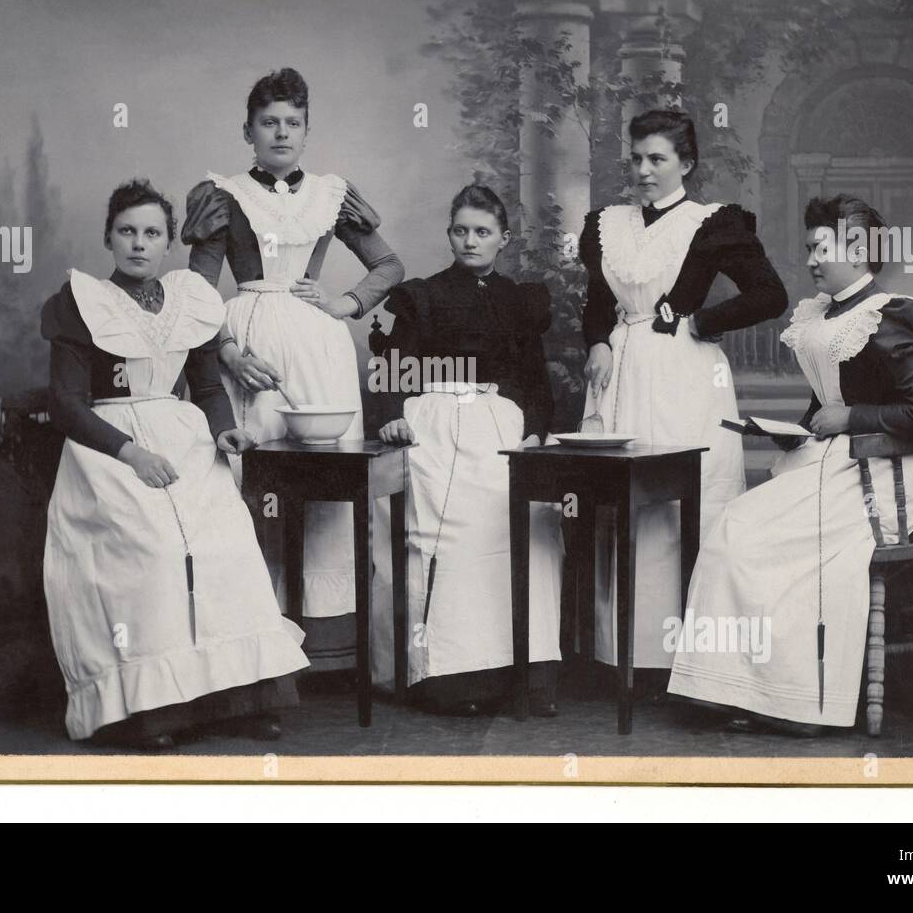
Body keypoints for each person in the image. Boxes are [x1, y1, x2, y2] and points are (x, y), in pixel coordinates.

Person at [667, 194, 913, 734]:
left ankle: (802, 699)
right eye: (810, 247)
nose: (811, 259)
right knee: (737, 526)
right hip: (829, 463)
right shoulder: (822, 312)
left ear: (860, 250)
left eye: (821, 247)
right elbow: (829, 396)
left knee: (759, 536)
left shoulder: (889, 316)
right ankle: (739, 684)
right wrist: (796, 430)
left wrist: (850, 419)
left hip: (879, 478)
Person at [41, 179, 309, 748]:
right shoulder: (78, 303)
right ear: (109, 238)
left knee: (228, 546)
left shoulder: (190, 300)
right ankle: (156, 709)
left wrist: (225, 431)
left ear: (167, 242)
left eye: (152, 233)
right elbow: (64, 406)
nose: (139, 244)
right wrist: (131, 454)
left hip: (185, 442)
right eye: (127, 232)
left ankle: (241, 697)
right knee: (157, 554)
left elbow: (209, 387)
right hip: (108, 450)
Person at [181, 68, 404, 680]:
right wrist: (225, 349)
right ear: (248, 132)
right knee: (252, 482)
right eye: (269, 123)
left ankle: (325, 652)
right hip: (248, 340)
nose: (281, 132)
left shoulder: (331, 193)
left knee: (326, 483)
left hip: (320, 347)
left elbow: (388, 265)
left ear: (306, 131)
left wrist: (347, 304)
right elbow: (196, 294)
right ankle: (253, 647)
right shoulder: (222, 194)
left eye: (293, 123)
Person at [576, 108, 788, 685]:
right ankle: (622, 656)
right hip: (618, 371)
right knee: (621, 503)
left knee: (680, 503)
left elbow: (771, 295)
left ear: (685, 164)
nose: (643, 170)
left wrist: (702, 320)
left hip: (684, 375)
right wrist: (597, 341)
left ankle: (688, 661)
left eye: (657, 159)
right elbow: (598, 300)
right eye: (636, 158)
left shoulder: (712, 222)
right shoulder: (608, 224)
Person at [369, 184, 563, 716]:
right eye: (461, 230)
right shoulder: (422, 295)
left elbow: (533, 378)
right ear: (449, 234)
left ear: (503, 238)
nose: (470, 241)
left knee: (525, 533)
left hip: (501, 425)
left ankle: (524, 671)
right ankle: (449, 679)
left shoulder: (518, 300)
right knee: (447, 537)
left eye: (482, 232)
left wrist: (538, 432)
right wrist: (390, 420)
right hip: (434, 422)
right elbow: (391, 367)